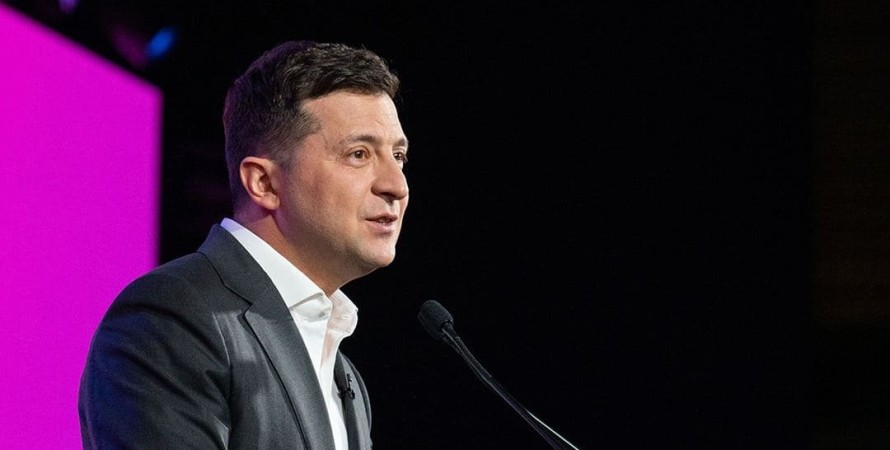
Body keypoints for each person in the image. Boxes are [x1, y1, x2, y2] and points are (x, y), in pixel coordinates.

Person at [78, 40, 409, 449]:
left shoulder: (345, 375)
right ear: (264, 182)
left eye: (398, 156)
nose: (396, 185)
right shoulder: (172, 318)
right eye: (359, 154)